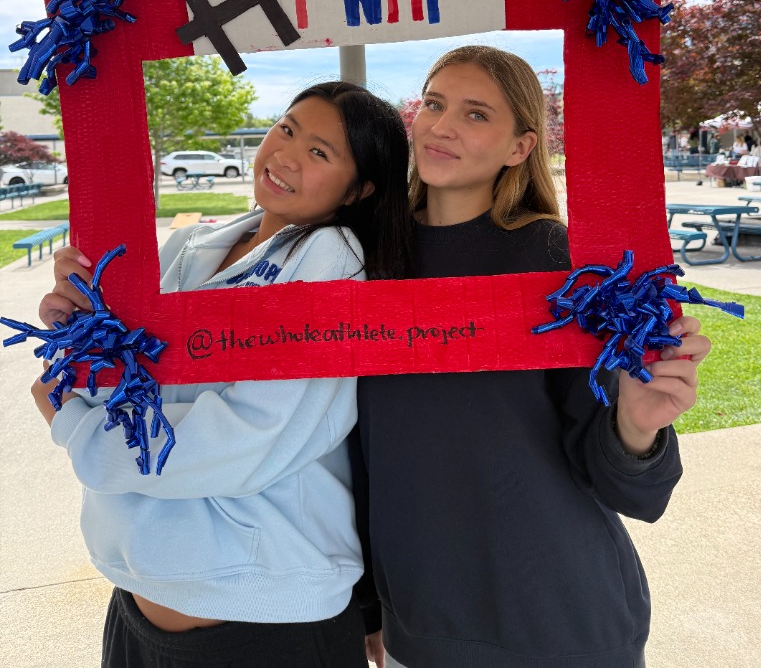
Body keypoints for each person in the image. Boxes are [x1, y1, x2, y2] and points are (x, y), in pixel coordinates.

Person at [34, 81, 412, 668]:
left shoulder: (334, 258)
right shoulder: (191, 243)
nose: (285, 154)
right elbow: (100, 380)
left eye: (320, 153)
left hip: (262, 621)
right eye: (286, 128)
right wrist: (76, 325)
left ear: (359, 189)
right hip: (137, 595)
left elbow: (245, 441)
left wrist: (76, 430)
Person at [354, 46, 710, 668]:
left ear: (521, 146)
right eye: (434, 104)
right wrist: (365, 607)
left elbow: (630, 486)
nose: (441, 126)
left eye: (475, 114)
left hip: (561, 621)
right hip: (421, 623)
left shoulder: (559, 260)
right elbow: (355, 456)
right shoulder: (363, 258)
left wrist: (636, 428)